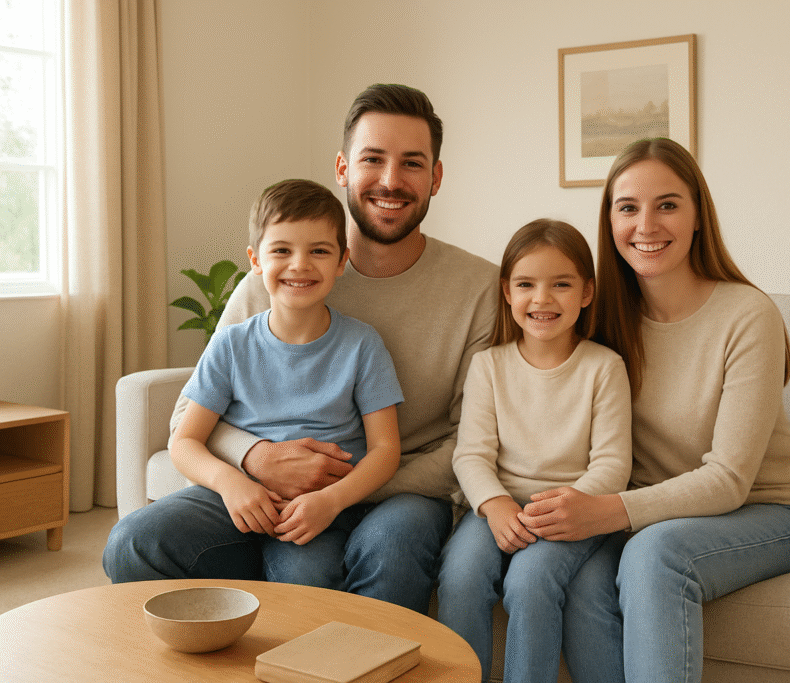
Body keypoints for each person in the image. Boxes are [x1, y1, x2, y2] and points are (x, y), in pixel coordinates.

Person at [104, 85, 497, 613]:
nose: (390, 180)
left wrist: (334, 491)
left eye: (412, 163)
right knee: (133, 544)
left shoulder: (479, 290)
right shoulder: (268, 282)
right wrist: (259, 461)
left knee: (389, 547)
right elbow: (188, 422)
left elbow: (472, 438)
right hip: (263, 486)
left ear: (436, 177)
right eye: (372, 160)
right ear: (342, 168)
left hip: (398, 490)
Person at [518, 138, 790, 682]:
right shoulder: (605, 320)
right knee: (587, 582)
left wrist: (606, 511)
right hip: (657, 515)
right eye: (628, 207)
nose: (646, 225)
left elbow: (730, 480)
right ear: (609, 221)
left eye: (667, 204)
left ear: (697, 217)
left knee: (652, 556)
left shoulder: (746, 315)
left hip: (773, 512)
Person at [116, 179, 403, 585]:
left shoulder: (362, 344)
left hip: (316, 509)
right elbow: (183, 441)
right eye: (281, 250)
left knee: (309, 580)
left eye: (318, 251)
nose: (299, 264)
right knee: (130, 540)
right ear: (256, 260)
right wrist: (231, 483)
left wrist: (330, 501)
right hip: (237, 496)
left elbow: (386, 449)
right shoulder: (232, 344)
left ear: (342, 261)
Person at [437, 219, 631, 683]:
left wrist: (565, 509)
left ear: (586, 292)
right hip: (497, 507)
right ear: (507, 291)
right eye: (526, 284)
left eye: (560, 285)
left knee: (528, 582)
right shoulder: (488, 365)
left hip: (574, 513)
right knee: (461, 578)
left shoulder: (604, 367)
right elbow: (471, 455)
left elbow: (612, 465)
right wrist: (496, 504)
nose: (542, 299)